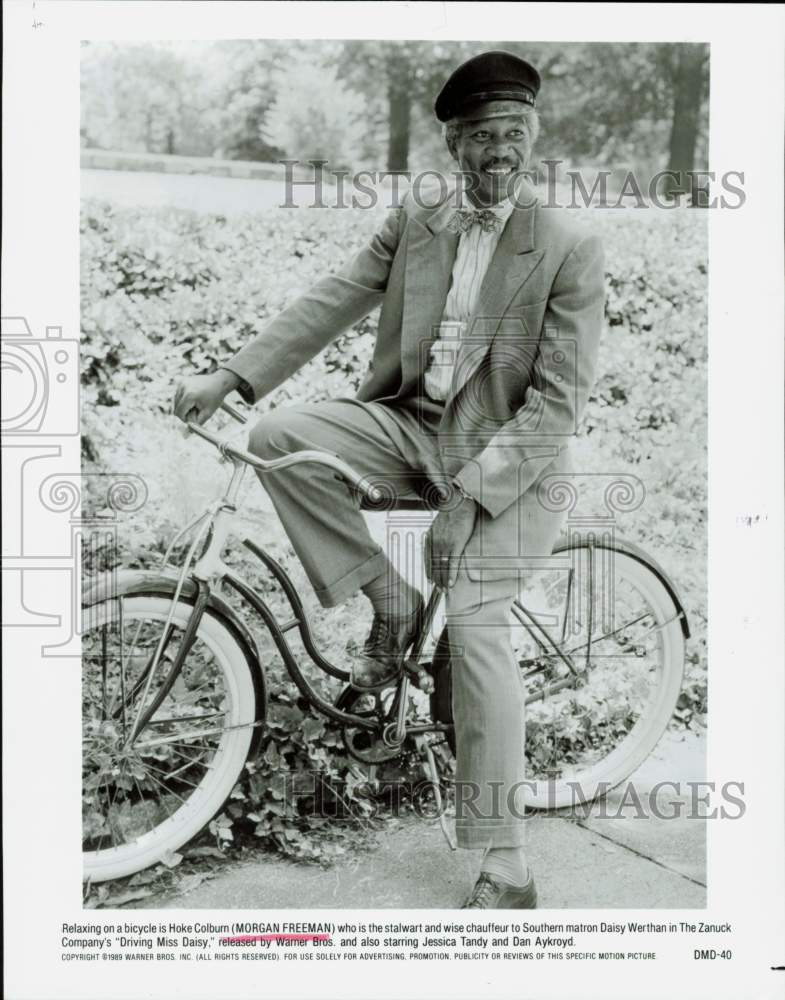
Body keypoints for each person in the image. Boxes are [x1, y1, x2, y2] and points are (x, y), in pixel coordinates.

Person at [174, 50, 605, 909]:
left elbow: (556, 406)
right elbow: (335, 295)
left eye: (514, 134)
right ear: (452, 146)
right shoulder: (425, 214)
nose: (499, 152)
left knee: (477, 634)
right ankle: (391, 602)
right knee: (281, 435)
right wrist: (231, 375)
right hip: (412, 427)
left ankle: (505, 863)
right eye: (481, 136)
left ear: (533, 137)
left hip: (513, 464)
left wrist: (468, 500)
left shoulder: (567, 243)